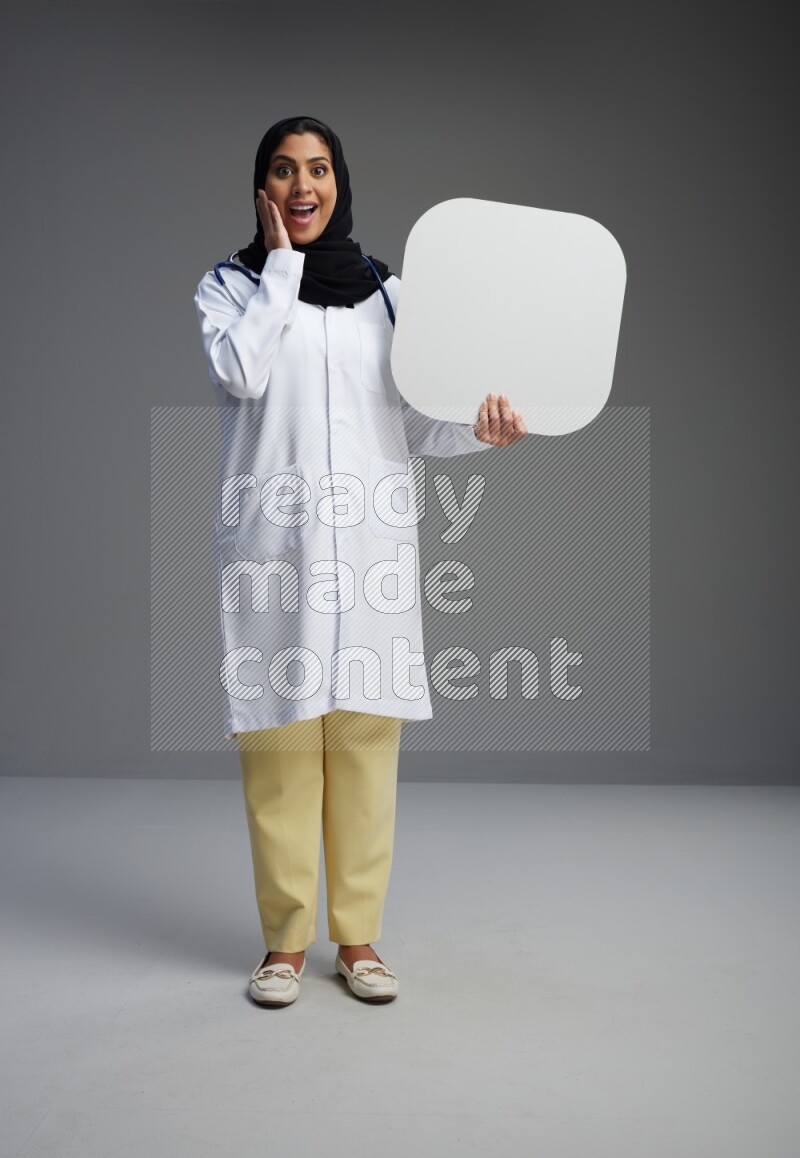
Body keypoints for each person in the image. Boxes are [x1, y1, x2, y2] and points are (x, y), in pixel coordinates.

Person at [193, 115, 527, 1007]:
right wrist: (282, 270)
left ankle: (359, 938)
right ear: (262, 189)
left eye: (319, 169)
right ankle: (283, 947)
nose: (303, 186)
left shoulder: (388, 296)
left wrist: (482, 432)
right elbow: (241, 374)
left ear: (341, 182)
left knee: (367, 749)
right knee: (282, 750)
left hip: (370, 547)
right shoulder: (231, 289)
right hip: (279, 549)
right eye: (284, 171)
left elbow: (415, 422)